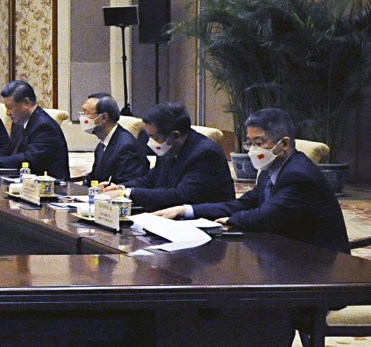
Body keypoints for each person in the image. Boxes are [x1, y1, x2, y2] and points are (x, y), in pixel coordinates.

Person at [154, 108, 348, 253]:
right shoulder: (270, 168)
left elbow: (266, 215)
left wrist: (231, 220)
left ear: (285, 144)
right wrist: (186, 210)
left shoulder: (299, 175)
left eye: (260, 143)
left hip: (318, 268)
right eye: (250, 143)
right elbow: (244, 203)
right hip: (285, 255)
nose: (253, 150)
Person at [101, 102, 233, 210]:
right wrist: (122, 187)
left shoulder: (206, 154)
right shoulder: (169, 146)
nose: (150, 143)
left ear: (175, 135)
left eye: (155, 137)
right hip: (170, 216)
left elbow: (181, 195)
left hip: (207, 225)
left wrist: (129, 194)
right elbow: (152, 179)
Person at [0, 80, 69, 179]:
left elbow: (29, 158)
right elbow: (9, 149)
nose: (7, 113)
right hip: (25, 180)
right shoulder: (21, 121)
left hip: (50, 187)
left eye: (10, 108)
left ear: (26, 103)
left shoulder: (44, 126)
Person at [81, 92, 150, 184]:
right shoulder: (102, 145)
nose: (82, 117)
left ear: (104, 118)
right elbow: (93, 179)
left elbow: (126, 185)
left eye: (86, 113)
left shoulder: (127, 147)